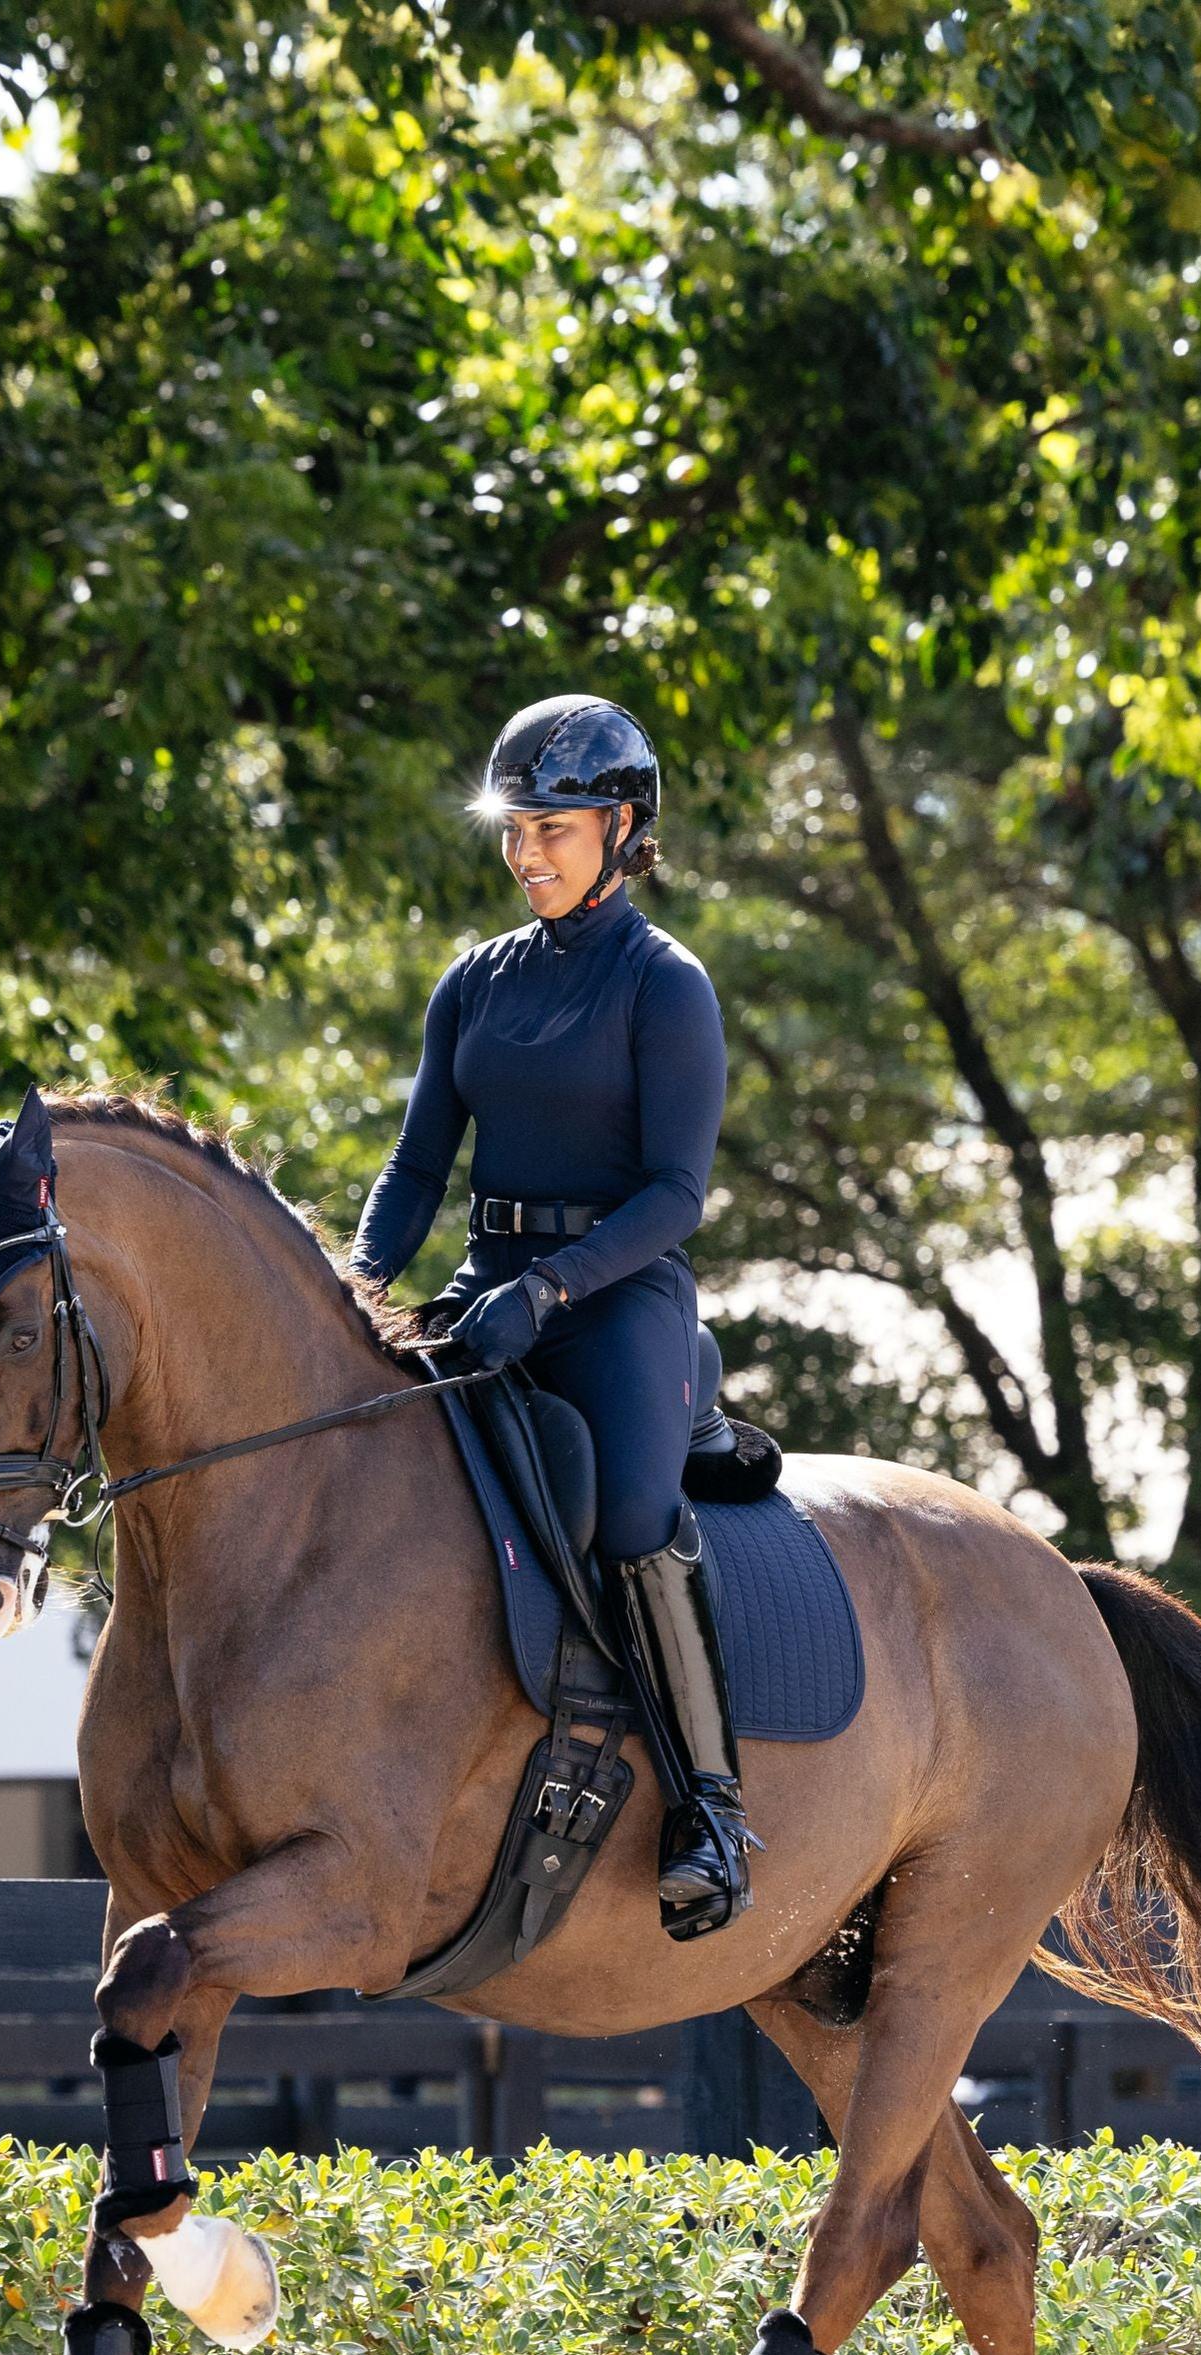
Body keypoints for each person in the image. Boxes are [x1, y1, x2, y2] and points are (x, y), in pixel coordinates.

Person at [348, 694, 757, 1940]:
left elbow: (674, 1196)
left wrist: (551, 1290)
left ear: (621, 827)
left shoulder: (664, 985)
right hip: (486, 1283)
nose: (526, 852)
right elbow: (418, 1167)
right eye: (513, 829)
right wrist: (356, 1284)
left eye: (552, 829)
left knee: (632, 1515)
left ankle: (710, 1810)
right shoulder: (472, 982)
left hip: (614, 1294)